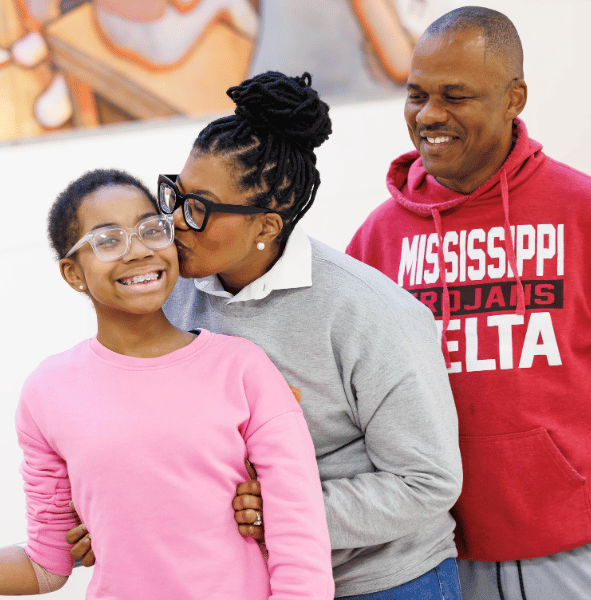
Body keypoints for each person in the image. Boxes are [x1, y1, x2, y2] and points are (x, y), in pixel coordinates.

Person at [0, 169, 333, 600]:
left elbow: (300, 548)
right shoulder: (48, 392)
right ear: (73, 273)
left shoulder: (242, 368)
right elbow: (46, 564)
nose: (137, 251)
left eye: (152, 229)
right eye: (107, 241)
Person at [68, 71, 464, 599]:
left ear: (267, 227)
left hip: (379, 580)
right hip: (245, 579)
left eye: (199, 209)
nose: (174, 224)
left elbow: (428, 482)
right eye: (175, 196)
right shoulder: (179, 292)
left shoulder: (368, 314)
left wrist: (284, 509)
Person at [345, 7, 591, 600]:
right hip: (435, 552)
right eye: (416, 95)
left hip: (580, 545)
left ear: (514, 97)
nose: (429, 115)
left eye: (455, 96)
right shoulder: (377, 240)